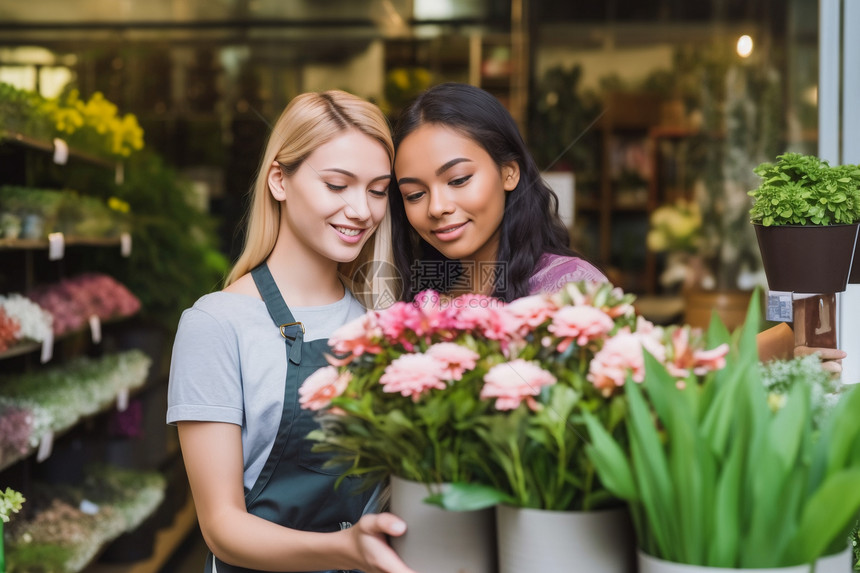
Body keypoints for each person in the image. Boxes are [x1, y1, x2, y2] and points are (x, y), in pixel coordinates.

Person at [389, 82, 845, 374]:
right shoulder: (412, 299)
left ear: (509, 173)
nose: (438, 207)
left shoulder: (567, 287)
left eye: (459, 179)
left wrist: (784, 349)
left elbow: (657, 374)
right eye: (414, 194)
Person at [167, 91, 415, 573]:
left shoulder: (382, 320)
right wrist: (346, 550)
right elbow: (222, 526)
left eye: (377, 190)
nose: (361, 210)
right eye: (337, 184)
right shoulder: (215, 325)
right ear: (279, 179)